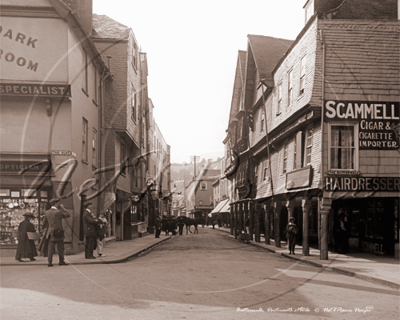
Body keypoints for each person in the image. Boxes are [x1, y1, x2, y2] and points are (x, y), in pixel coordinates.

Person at [42, 198, 71, 267]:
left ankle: (49, 262)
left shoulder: (47, 212)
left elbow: (44, 223)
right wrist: (63, 208)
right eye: (58, 203)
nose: (59, 204)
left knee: (50, 248)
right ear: (56, 203)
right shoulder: (58, 212)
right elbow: (68, 214)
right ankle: (61, 261)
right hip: (58, 232)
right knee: (60, 247)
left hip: (50, 233)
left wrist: (44, 230)